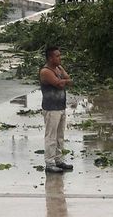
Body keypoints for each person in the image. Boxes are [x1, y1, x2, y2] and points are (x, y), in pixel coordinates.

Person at [40, 46, 73, 174]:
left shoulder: (58, 68)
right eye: (57, 56)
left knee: (60, 136)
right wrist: (63, 81)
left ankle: (59, 160)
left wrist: (63, 80)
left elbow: (68, 80)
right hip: (51, 108)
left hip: (61, 106)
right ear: (50, 58)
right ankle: (49, 163)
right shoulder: (46, 71)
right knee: (51, 136)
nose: (60, 58)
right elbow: (59, 84)